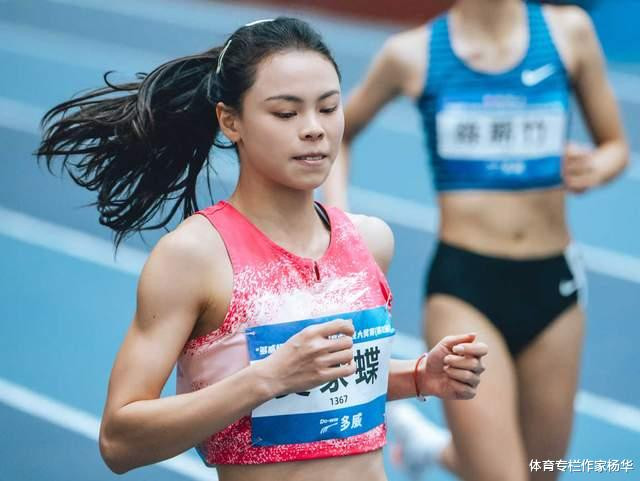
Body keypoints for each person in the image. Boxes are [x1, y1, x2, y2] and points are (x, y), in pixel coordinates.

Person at [36, 17, 488, 481]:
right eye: (286, 113)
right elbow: (119, 442)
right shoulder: (195, 257)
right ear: (230, 121)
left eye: (328, 108)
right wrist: (267, 378)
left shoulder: (369, 241)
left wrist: (418, 376)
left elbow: (330, 384)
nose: (314, 129)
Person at [323, 1, 628, 480]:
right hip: (466, 289)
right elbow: (340, 133)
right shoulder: (413, 53)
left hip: (555, 287)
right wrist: (342, 225)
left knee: (541, 470)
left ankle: (429, 449)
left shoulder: (569, 32)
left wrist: (598, 165)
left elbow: (616, 146)